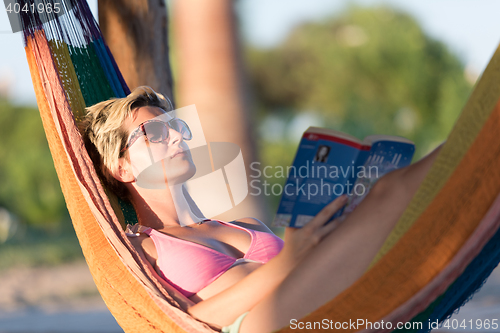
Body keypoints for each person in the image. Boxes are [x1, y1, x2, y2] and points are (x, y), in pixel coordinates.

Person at [80, 86, 443, 333]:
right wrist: (288, 262)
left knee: (383, 192)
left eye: (175, 126)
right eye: (154, 133)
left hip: (320, 302)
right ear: (121, 167)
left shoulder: (244, 224)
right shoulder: (139, 248)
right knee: (390, 191)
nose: (176, 136)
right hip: (261, 324)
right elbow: (182, 322)